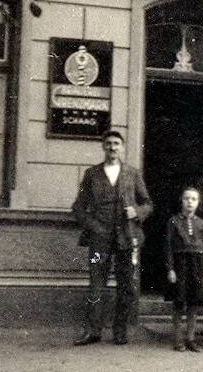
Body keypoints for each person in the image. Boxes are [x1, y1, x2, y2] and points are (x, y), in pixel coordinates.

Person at [72, 130, 153, 346]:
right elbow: (78, 208)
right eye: (108, 143)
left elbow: (148, 204)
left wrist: (137, 211)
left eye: (117, 143)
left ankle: (120, 331)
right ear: (103, 146)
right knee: (96, 282)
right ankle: (93, 331)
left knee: (126, 285)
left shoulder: (132, 173)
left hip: (126, 238)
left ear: (122, 147)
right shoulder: (92, 174)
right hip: (99, 241)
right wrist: (94, 226)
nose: (112, 147)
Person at [165, 187, 203, 352]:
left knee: (193, 303)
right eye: (186, 198)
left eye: (193, 199)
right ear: (181, 201)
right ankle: (178, 339)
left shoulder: (201, 223)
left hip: (197, 265)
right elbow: (168, 246)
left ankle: (191, 338)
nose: (190, 202)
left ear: (198, 203)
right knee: (179, 302)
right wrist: (170, 268)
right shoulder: (173, 221)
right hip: (180, 264)